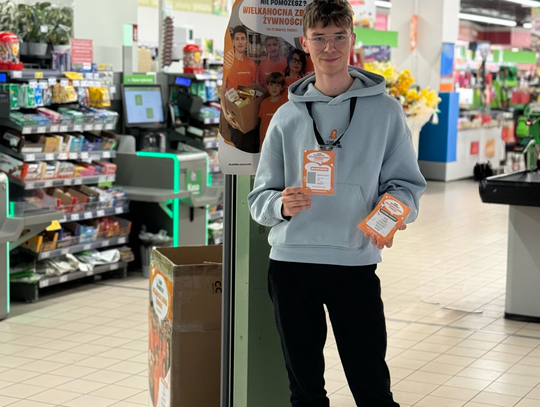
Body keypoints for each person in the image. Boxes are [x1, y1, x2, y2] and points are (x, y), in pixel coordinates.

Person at [247, 0, 426, 406]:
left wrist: (390, 215)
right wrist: (280, 205)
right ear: (304, 43)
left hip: (354, 264)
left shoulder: (386, 112)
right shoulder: (286, 117)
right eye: (320, 38)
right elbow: (259, 199)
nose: (330, 48)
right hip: (292, 265)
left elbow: (406, 186)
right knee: (305, 391)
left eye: (339, 37)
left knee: (372, 389)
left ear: (352, 40)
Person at [221, 25, 259, 153]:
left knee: (250, 150)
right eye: (237, 39)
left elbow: (256, 90)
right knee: (237, 151)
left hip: (249, 117)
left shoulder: (252, 65)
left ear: (247, 41)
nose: (240, 42)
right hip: (234, 117)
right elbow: (222, 91)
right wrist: (226, 115)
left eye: (242, 38)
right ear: (233, 42)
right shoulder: (228, 64)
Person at [258, 72, 287, 148]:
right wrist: (260, 144)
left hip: (280, 142)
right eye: (271, 85)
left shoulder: (285, 103)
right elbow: (262, 124)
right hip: (266, 142)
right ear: (267, 86)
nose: (274, 88)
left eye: (277, 85)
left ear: (282, 87)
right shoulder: (264, 103)